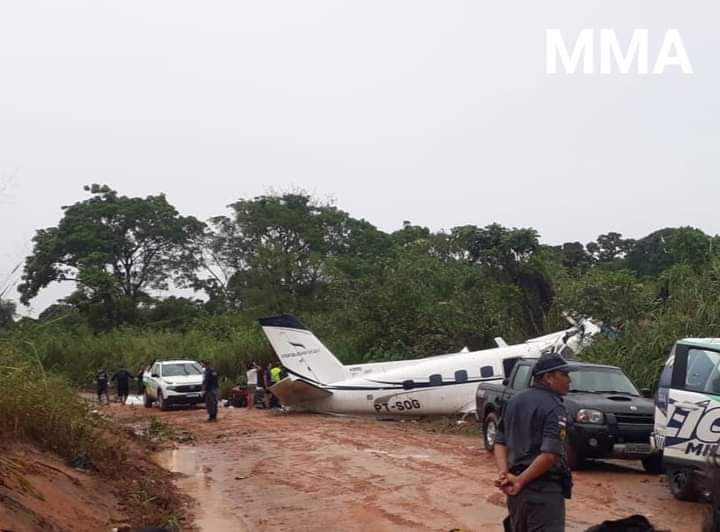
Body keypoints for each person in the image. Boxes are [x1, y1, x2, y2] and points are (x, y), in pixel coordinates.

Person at [493, 351, 574, 532]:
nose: (569, 380)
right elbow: (550, 455)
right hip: (542, 490)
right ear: (548, 378)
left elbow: (499, 442)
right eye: (564, 374)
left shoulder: (514, 401)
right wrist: (520, 481)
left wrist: (504, 475)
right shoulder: (554, 407)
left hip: (516, 493)